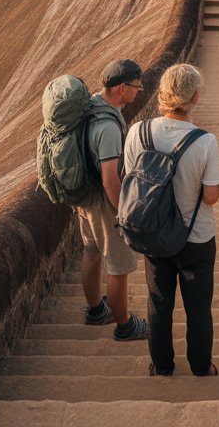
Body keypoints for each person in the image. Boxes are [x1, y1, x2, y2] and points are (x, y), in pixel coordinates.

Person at [124, 64, 219, 376]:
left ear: (163, 96)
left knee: (159, 304)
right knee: (198, 308)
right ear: (194, 97)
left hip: (153, 234)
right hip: (196, 238)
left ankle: (162, 365)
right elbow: (211, 197)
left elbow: (130, 181)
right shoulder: (205, 142)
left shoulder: (137, 133)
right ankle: (200, 366)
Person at [80, 58, 148, 341]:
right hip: (102, 201)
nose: (139, 91)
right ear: (121, 89)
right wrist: (124, 214)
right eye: (135, 87)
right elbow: (110, 179)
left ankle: (96, 310)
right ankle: (125, 325)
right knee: (118, 266)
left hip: (84, 197)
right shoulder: (108, 127)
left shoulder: (91, 105)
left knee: (92, 252)